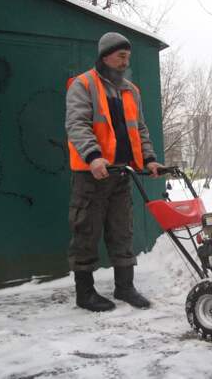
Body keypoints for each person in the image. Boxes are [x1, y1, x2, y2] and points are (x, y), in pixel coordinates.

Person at [65, 32, 163, 312]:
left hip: (122, 173)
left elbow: (139, 129)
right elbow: (77, 124)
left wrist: (150, 159)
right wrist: (93, 156)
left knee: (122, 231)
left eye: (128, 57)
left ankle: (125, 287)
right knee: (86, 231)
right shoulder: (83, 85)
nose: (125, 61)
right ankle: (85, 293)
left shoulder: (131, 90)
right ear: (105, 55)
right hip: (91, 174)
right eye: (121, 56)